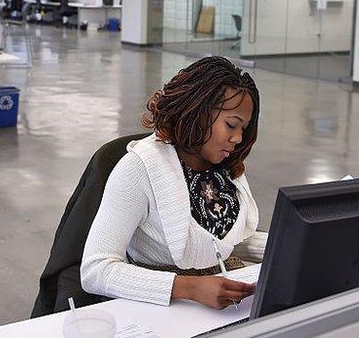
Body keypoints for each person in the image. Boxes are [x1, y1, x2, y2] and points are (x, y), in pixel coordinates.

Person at [81, 57, 265, 310]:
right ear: (197, 111)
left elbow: (221, 240)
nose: (238, 138)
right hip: (165, 303)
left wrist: (288, 245)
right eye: (231, 124)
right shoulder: (138, 169)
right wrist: (189, 287)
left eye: (244, 128)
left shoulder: (226, 166)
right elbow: (95, 270)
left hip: (226, 290)